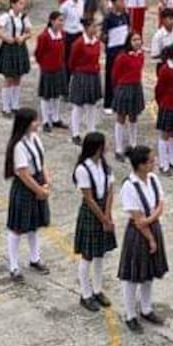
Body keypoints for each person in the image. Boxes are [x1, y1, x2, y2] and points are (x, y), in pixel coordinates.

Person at [117, 145, 168, 333]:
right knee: (132, 276)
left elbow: (160, 204)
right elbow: (139, 221)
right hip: (139, 234)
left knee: (148, 274)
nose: (153, 164)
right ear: (140, 165)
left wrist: (150, 219)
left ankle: (146, 308)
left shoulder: (153, 179)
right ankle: (130, 314)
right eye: (150, 161)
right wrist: (151, 236)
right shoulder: (129, 186)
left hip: (152, 228)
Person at [5, 109, 51, 281]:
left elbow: (42, 162)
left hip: (37, 182)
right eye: (34, 121)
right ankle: (14, 266)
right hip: (26, 187)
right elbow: (24, 174)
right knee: (17, 228)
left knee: (34, 225)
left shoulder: (35, 139)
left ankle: (34, 258)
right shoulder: (19, 146)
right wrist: (39, 190)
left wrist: (47, 182)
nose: (37, 123)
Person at [73, 131, 117, 312]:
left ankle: (97, 290)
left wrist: (108, 215)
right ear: (98, 147)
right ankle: (85, 294)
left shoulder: (105, 166)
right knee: (87, 255)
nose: (108, 146)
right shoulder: (83, 169)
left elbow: (110, 191)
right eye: (105, 144)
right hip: (92, 213)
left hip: (103, 211)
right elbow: (89, 199)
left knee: (100, 253)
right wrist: (103, 218)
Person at [0, 0, 33, 116]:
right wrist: (6, 37)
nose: (22, 6)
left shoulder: (23, 17)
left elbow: (29, 32)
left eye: (23, 3)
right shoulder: (6, 17)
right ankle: (6, 107)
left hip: (20, 47)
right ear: (13, 4)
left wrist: (23, 37)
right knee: (8, 77)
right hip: (9, 48)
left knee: (18, 76)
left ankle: (15, 105)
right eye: (20, 3)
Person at [111, 32, 146, 160]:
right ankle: (118, 149)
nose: (137, 42)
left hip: (136, 87)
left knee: (134, 117)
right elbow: (115, 74)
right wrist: (119, 88)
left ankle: (133, 144)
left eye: (139, 39)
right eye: (134, 40)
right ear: (129, 42)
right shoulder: (122, 57)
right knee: (121, 117)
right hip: (124, 88)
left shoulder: (141, 55)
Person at [68, 17, 104, 137]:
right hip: (82, 75)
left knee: (92, 105)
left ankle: (91, 129)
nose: (95, 29)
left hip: (93, 75)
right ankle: (75, 132)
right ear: (86, 28)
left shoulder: (96, 42)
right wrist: (78, 73)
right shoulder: (79, 43)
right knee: (78, 106)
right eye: (93, 26)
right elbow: (72, 61)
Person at [35, 12, 69, 133]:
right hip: (48, 69)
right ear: (52, 21)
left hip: (59, 68)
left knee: (56, 94)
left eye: (62, 21)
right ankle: (45, 120)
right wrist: (44, 65)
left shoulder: (62, 35)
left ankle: (55, 118)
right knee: (46, 95)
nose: (61, 23)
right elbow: (38, 53)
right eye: (59, 20)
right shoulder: (44, 36)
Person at [101, 0, 131, 114]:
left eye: (123, 1)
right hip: (112, 51)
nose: (122, 3)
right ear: (113, 3)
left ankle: (121, 102)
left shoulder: (125, 16)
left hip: (123, 50)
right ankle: (108, 103)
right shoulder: (108, 18)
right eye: (120, 1)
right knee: (110, 77)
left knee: (123, 77)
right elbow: (103, 35)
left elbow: (129, 29)